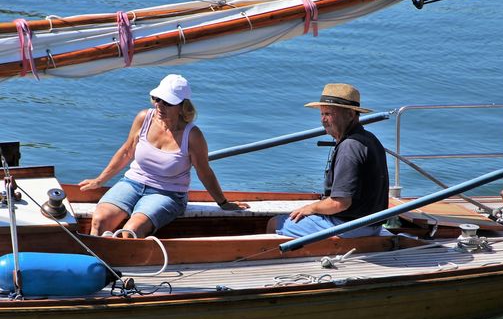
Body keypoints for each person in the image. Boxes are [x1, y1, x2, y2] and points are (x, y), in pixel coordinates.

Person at [79, 74, 249, 238]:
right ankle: (98, 261)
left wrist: (223, 203)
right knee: (99, 221)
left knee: (131, 231)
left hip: (169, 193)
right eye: (156, 98)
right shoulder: (144, 118)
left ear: (182, 106)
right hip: (132, 183)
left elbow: (204, 171)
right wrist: (100, 180)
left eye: (167, 102)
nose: (159, 105)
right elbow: (127, 151)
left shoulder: (193, 136)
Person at [267, 83, 389, 238]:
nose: (323, 120)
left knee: (275, 223)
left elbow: (340, 203)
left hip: (350, 226)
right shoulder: (370, 139)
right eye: (321, 114)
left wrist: (311, 208)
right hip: (372, 224)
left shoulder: (349, 148)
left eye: (329, 114)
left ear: (351, 115)